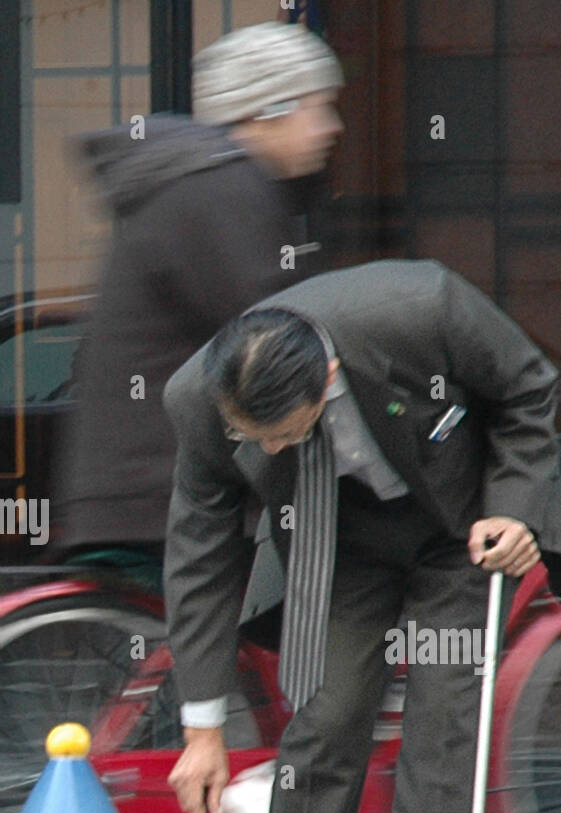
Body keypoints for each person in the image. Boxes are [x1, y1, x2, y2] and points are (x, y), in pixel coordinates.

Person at [161, 259, 561, 813]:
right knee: (325, 722)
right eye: (250, 437)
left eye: (282, 435)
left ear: (325, 379)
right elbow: (201, 556)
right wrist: (201, 729)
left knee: (442, 727)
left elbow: (526, 385)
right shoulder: (200, 402)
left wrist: (515, 510)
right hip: (333, 546)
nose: (269, 449)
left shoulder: (421, 307)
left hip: (460, 535)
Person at [52, 21, 344, 566]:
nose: (331, 127)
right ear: (270, 108)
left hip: (142, 482)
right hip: (172, 486)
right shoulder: (221, 188)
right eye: (317, 106)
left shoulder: (205, 181)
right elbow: (272, 333)